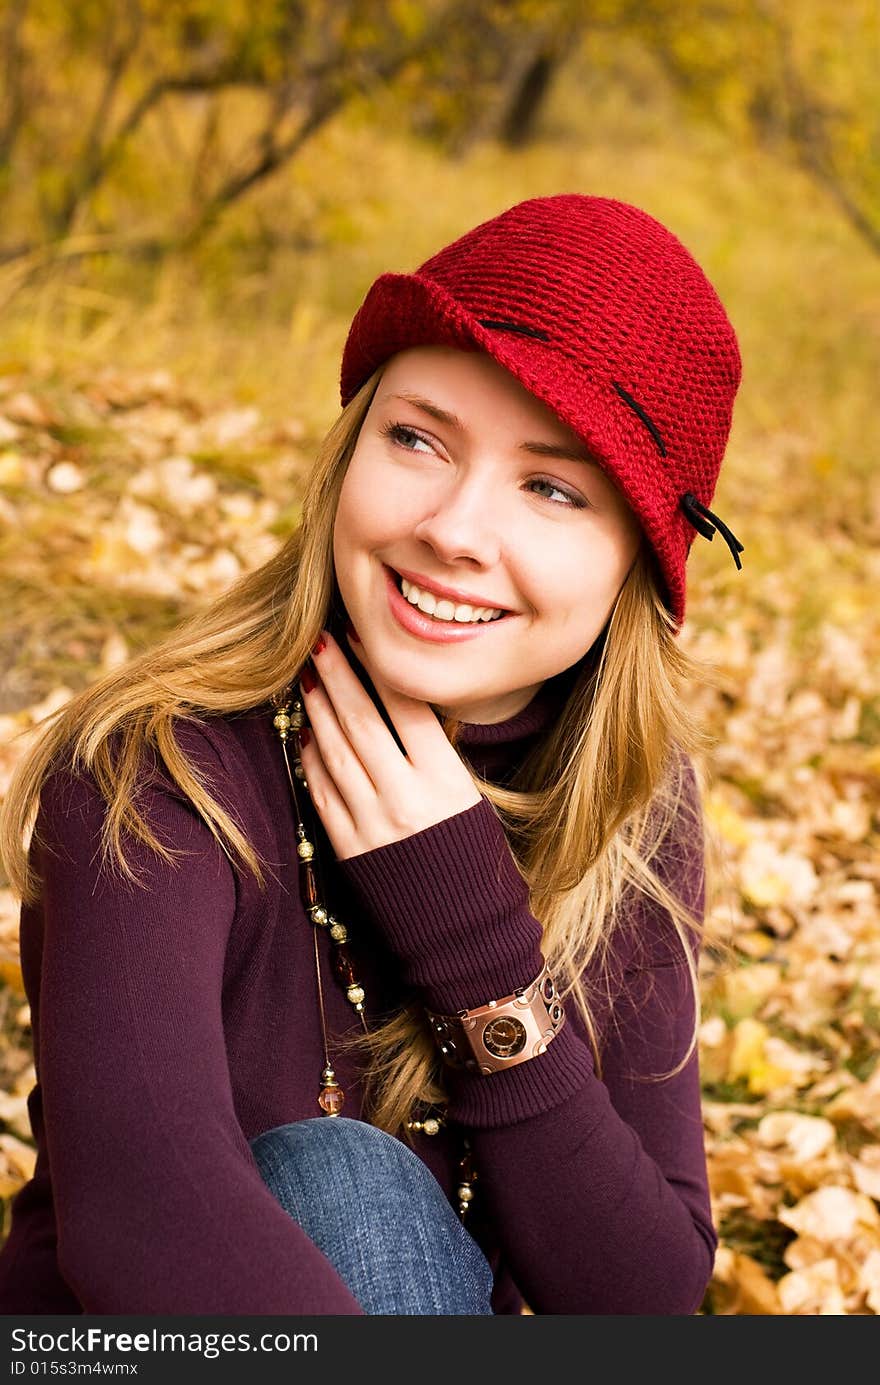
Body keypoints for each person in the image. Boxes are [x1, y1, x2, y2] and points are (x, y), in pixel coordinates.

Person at [0, 193, 745, 1316]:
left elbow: (641, 1292)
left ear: (640, 560)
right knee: (342, 1181)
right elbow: (145, 1212)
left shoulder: (637, 808)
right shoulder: (157, 766)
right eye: (417, 438)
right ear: (349, 452)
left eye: (550, 486)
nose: (452, 527)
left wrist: (477, 949)